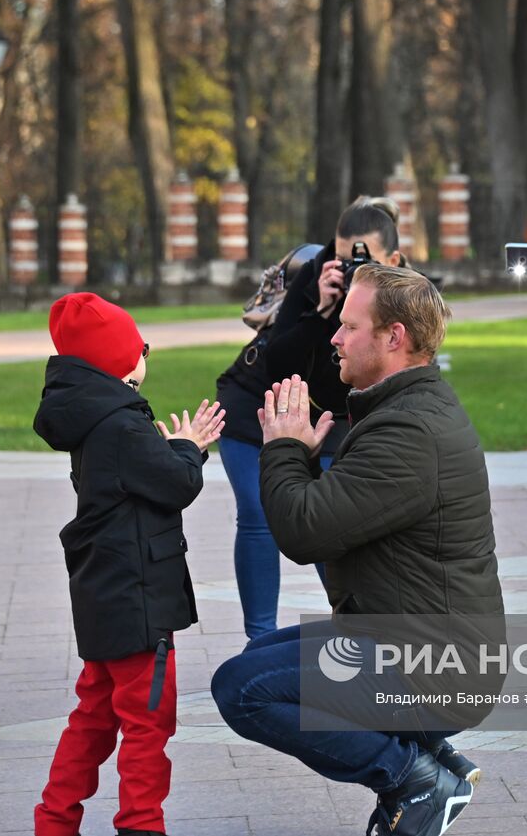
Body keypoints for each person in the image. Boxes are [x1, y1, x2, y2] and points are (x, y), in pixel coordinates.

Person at [211, 265, 504, 836]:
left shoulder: (409, 432)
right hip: (408, 640)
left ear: (394, 338)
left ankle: (413, 777)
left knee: (242, 691)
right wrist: (301, 456)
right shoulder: (403, 409)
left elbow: (302, 533)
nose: (334, 339)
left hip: (434, 669)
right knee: (255, 662)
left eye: (349, 326)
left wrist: (285, 447)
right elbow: (331, 515)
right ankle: (435, 763)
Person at [32, 294, 224, 836]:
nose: (145, 355)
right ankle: (142, 824)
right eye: (139, 347)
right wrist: (189, 447)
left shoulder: (92, 416)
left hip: (103, 595)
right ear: (120, 360)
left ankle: (54, 820)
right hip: (139, 602)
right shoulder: (123, 424)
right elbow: (177, 483)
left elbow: (144, 477)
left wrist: (172, 450)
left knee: (93, 716)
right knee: (147, 723)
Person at [213, 195, 405, 640]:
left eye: (365, 260)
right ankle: (258, 639)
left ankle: (356, 631)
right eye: (343, 256)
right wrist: (320, 309)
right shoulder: (319, 272)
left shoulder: (406, 291)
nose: (351, 268)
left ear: (393, 260)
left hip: (328, 421)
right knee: (259, 514)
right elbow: (279, 363)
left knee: (328, 523)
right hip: (257, 408)